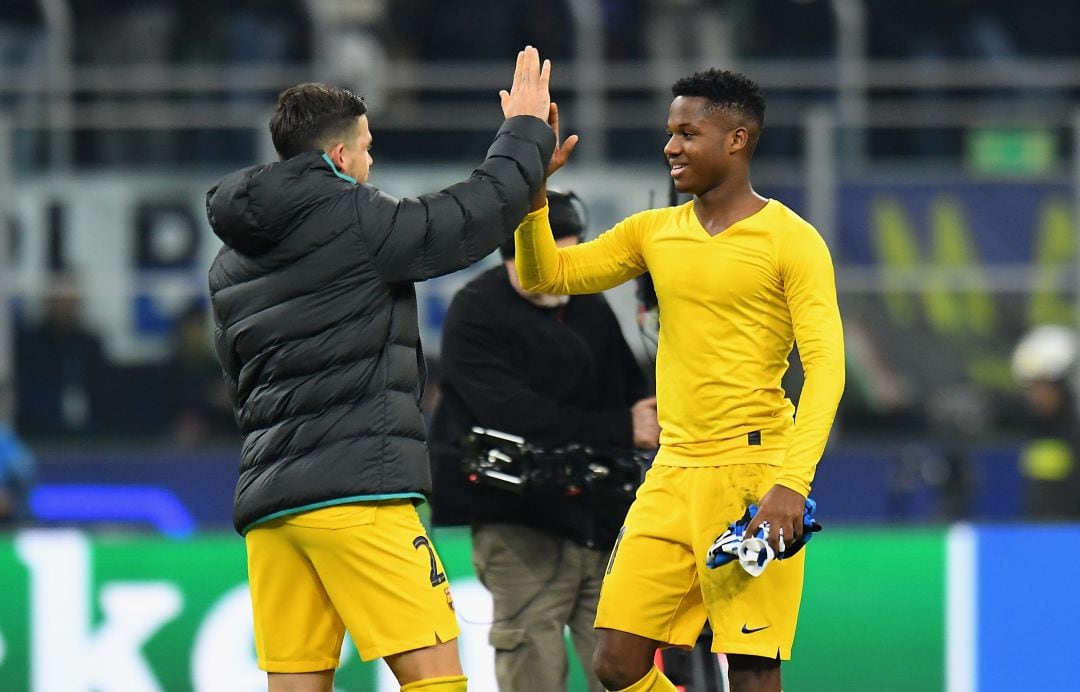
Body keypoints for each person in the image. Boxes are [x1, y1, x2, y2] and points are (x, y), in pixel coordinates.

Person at [205, 47, 558, 692]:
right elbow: (471, 215)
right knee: (436, 681)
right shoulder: (354, 217)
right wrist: (527, 130)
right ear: (339, 156)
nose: (371, 163)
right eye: (366, 149)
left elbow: (239, 378)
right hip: (359, 493)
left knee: (294, 684)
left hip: (273, 509)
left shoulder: (229, 259)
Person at [514, 69, 845, 692]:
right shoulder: (653, 233)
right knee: (614, 661)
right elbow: (544, 275)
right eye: (670, 133)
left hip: (753, 473)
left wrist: (790, 486)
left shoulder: (792, 241)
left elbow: (827, 368)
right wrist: (532, 191)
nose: (671, 147)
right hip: (672, 473)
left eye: (688, 133)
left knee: (750, 669)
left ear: (737, 139)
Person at [428, 189, 661, 692]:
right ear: (513, 256)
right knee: (531, 665)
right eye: (545, 259)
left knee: (624, 669)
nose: (558, 274)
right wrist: (621, 428)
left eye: (569, 258)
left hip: (600, 520)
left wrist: (647, 414)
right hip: (519, 525)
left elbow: (630, 387)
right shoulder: (476, 311)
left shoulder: (588, 305)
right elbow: (510, 415)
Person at [1010, 324, 1080, 519]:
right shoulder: (1031, 428)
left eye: (1043, 385)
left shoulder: (1074, 432)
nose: (1036, 396)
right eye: (1031, 386)